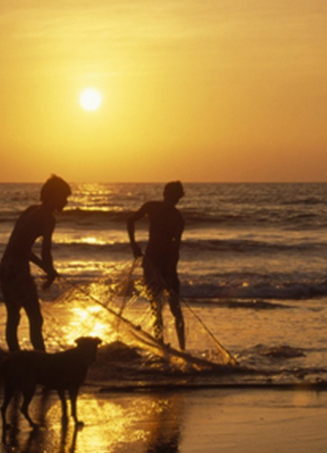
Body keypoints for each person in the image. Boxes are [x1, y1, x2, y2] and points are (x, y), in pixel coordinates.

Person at [0, 175, 71, 352]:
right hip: (17, 270)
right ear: (53, 196)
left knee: (13, 317)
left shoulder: (31, 210)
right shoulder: (48, 218)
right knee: (35, 318)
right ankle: (40, 360)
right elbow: (45, 251)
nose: (66, 202)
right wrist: (49, 268)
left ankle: (14, 358)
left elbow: (22, 247)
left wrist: (47, 269)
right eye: (63, 197)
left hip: (5, 267)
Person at [127, 181, 185, 350]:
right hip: (156, 262)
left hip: (159, 263)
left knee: (165, 307)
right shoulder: (167, 213)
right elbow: (130, 220)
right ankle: (169, 345)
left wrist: (134, 245)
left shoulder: (166, 213)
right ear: (172, 195)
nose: (176, 199)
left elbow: (175, 248)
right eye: (176, 195)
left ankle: (172, 346)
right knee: (164, 307)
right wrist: (134, 246)